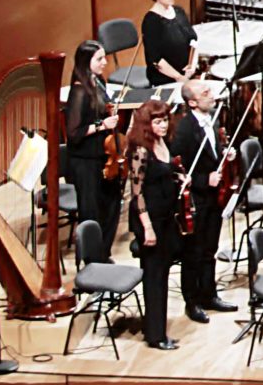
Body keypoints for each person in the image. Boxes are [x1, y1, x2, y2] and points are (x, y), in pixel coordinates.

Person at [169, 77, 237, 319]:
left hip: (215, 197)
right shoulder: (185, 129)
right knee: (194, 252)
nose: (212, 94)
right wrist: (202, 180)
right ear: (193, 103)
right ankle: (192, 301)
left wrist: (225, 155)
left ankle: (210, 294)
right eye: (206, 92)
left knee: (210, 248)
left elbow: (213, 153)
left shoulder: (213, 119)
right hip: (196, 199)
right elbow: (175, 166)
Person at [121, 100, 183, 350]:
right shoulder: (140, 150)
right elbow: (137, 193)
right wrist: (146, 227)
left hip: (166, 216)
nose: (163, 125)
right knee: (154, 277)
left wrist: (179, 176)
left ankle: (156, 328)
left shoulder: (162, 143)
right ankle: (155, 336)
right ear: (147, 124)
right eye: (157, 121)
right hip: (150, 219)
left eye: (165, 120)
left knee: (163, 273)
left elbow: (164, 173)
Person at [62, 38, 123, 258]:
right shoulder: (78, 92)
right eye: (99, 59)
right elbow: (74, 133)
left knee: (113, 203)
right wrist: (101, 125)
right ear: (86, 61)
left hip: (104, 156)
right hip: (85, 161)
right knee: (92, 211)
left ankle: (103, 253)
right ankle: (92, 260)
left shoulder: (98, 82)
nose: (105, 62)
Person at [140, 0, 196, 84]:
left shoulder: (179, 11)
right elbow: (155, 59)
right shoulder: (151, 21)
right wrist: (179, 77)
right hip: (166, 78)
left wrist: (192, 65)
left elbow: (193, 40)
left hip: (187, 73)